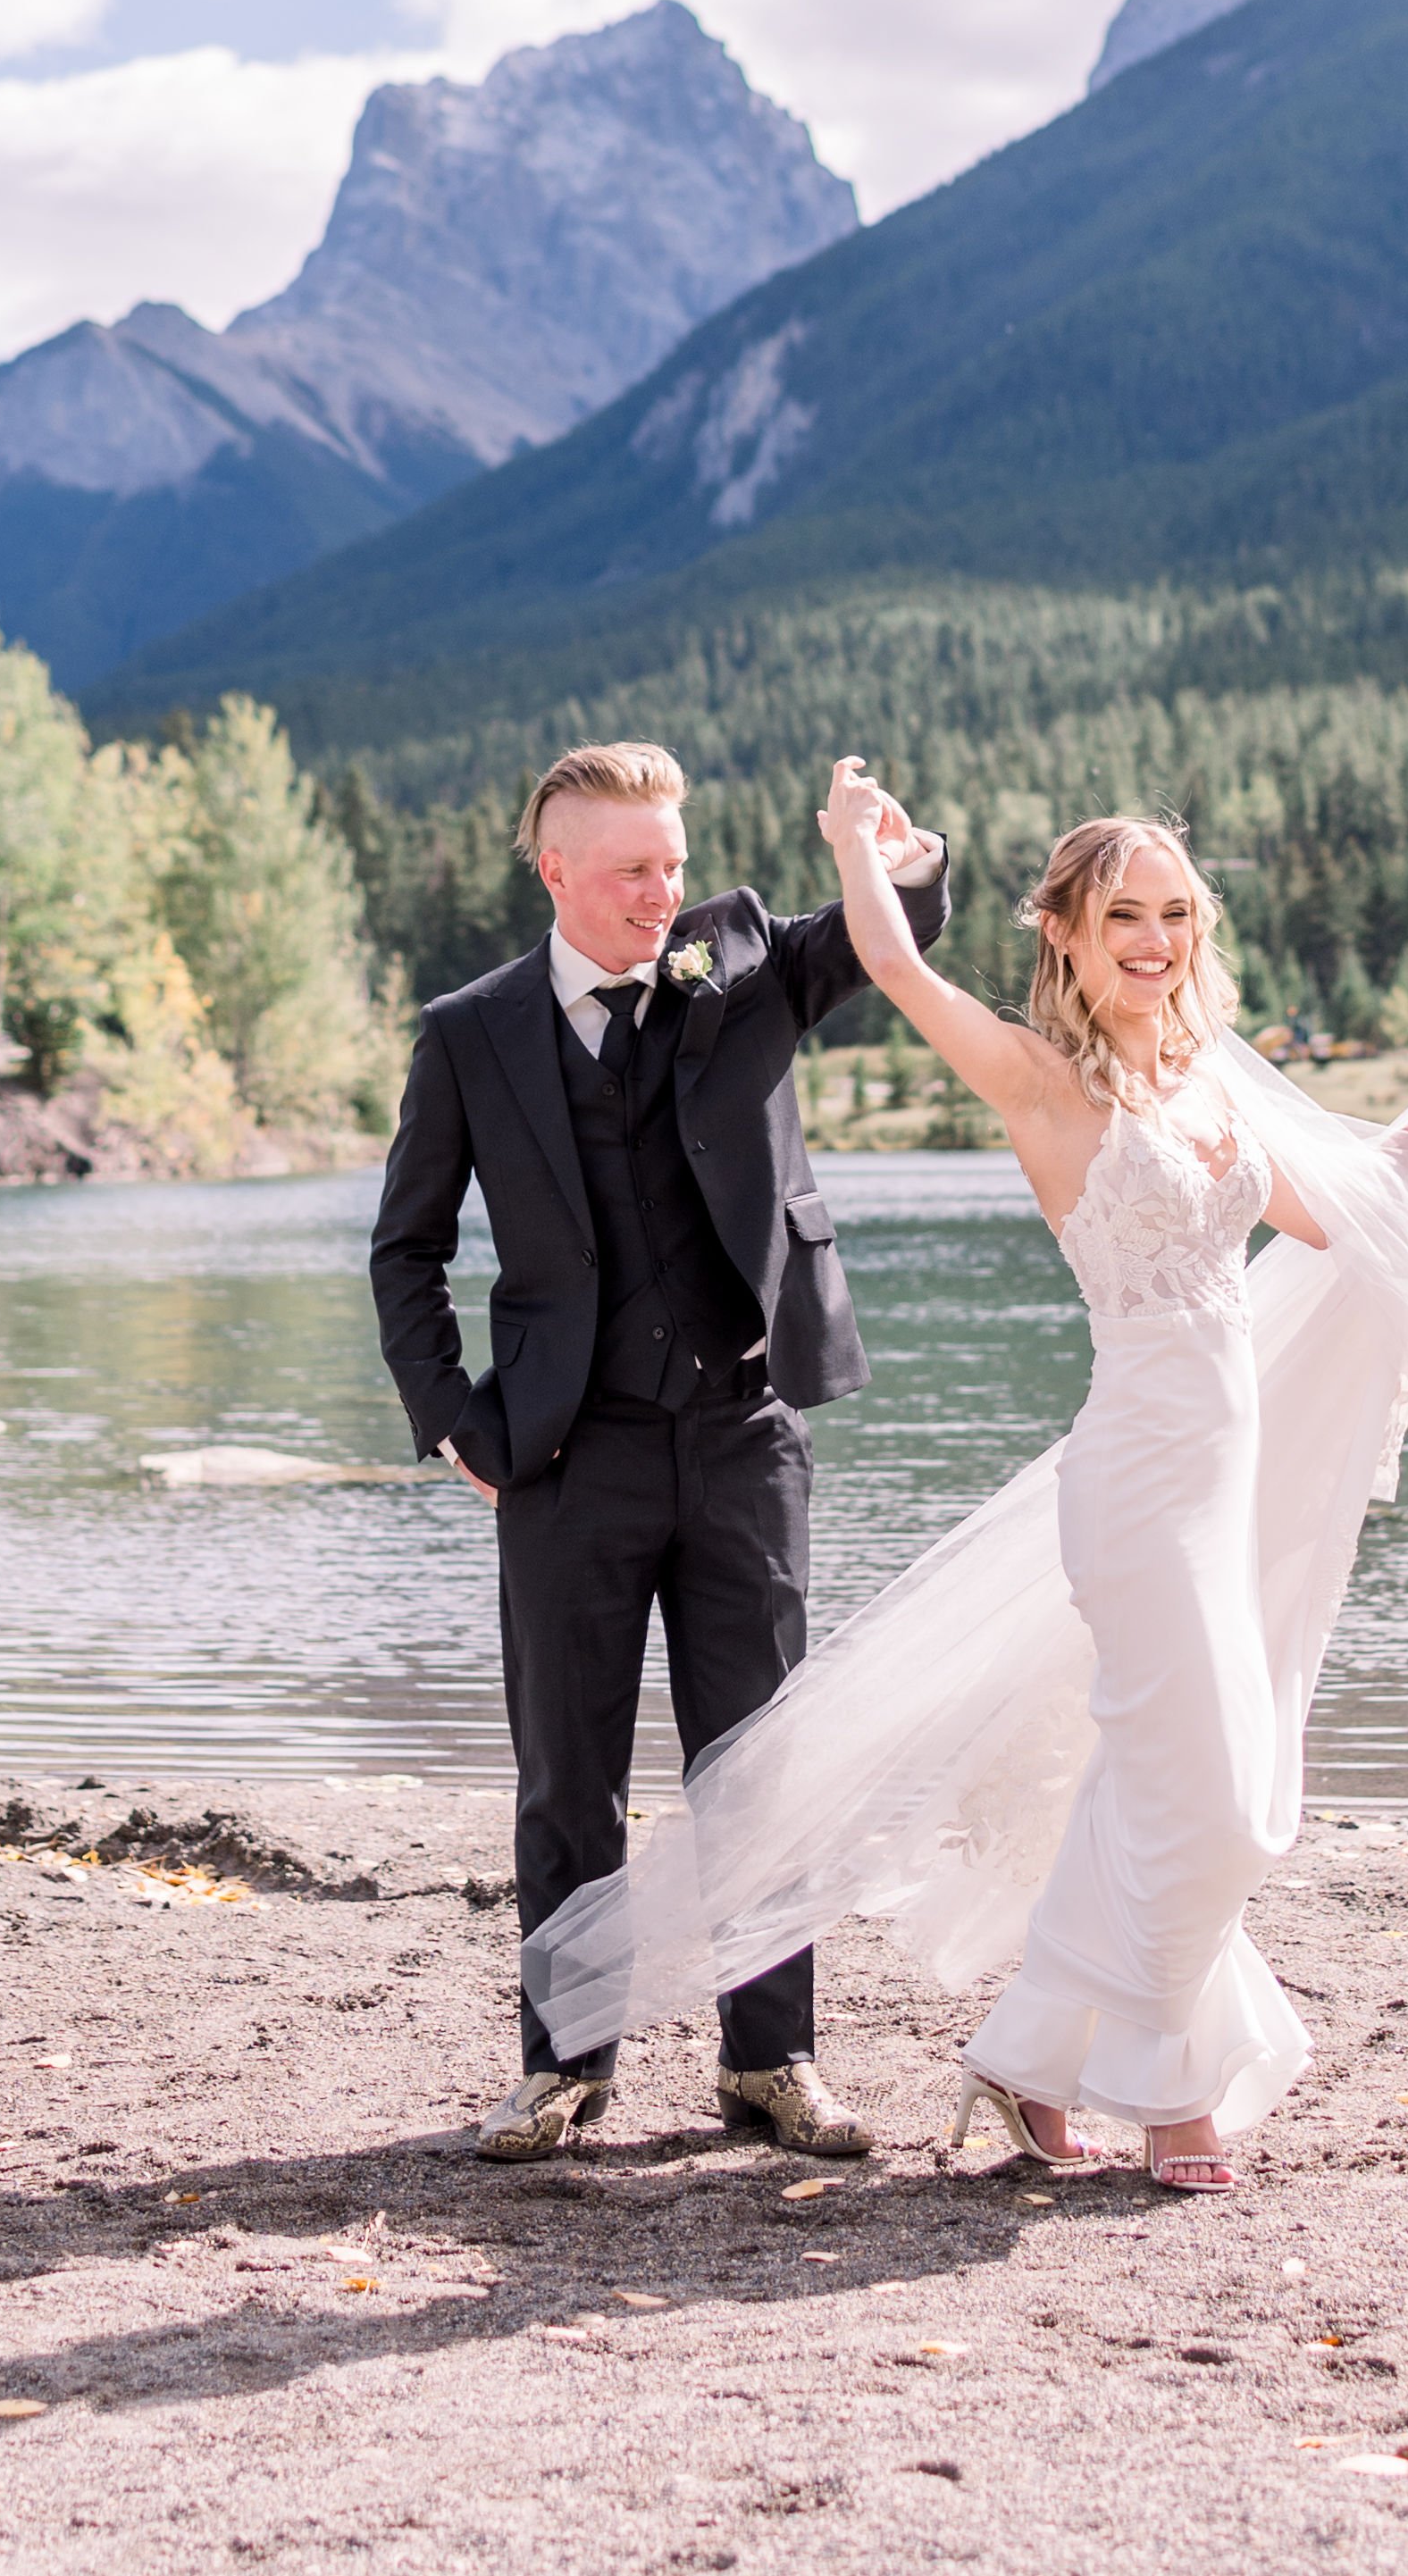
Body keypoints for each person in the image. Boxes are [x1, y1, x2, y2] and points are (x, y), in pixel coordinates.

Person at [520, 765, 1408, 2190]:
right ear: (1065, 930)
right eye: (1123, 912)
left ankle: (1018, 2060)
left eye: (1175, 912)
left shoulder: (1210, 1085)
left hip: (1226, 1469)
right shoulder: (1041, 1077)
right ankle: (1168, 2088)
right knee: (1219, 1794)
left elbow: (1319, 1218)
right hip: (1134, 1482)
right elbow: (887, 960)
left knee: (1185, 1775)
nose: (1154, 937)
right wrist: (854, 847)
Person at [369, 739, 950, 2161]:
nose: (661, 893)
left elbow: (895, 937)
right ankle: (564, 2067)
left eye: (673, 864)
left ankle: (772, 2064)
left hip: (746, 1436)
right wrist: (455, 1417)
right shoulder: (472, 1030)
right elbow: (407, 1246)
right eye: (631, 869)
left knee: (759, 1767)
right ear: (556, 869)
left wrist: (897, 855)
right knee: (566, 1776)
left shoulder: (744, 961)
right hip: (564, 1458)